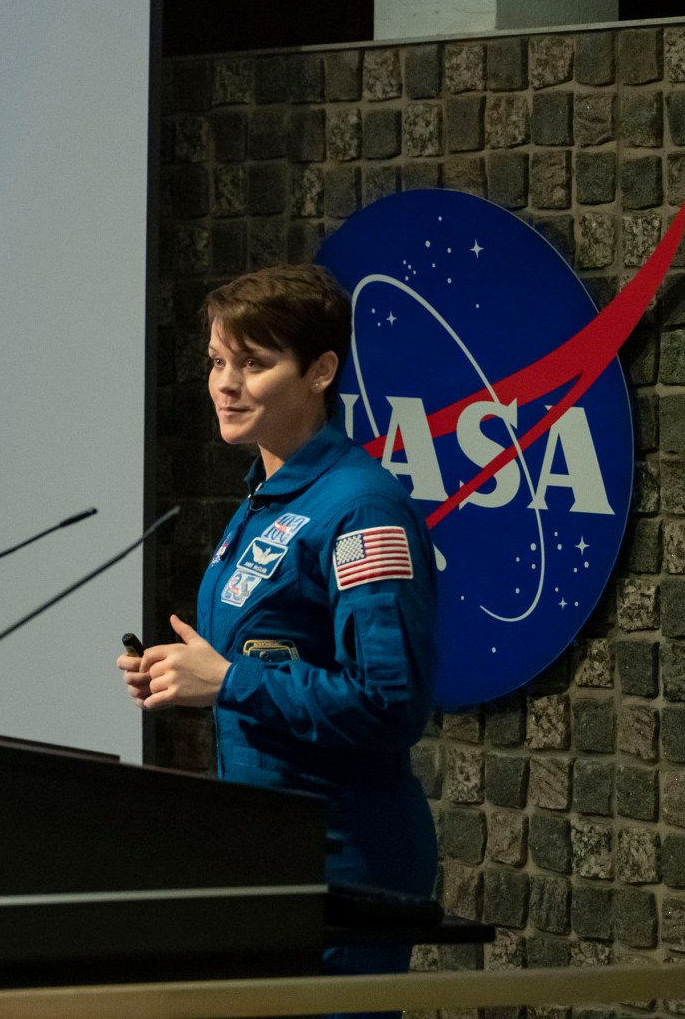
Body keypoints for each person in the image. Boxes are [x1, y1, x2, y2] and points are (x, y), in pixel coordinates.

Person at [119, 265, 436, 1015]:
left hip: (343, 864)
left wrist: (227, 683)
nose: (225, 384)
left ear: (321, 371)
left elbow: (391, 699)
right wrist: (181, 675)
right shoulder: (263, 498)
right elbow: (270, 660)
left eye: (254, 364)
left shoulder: (361, 511)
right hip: (268, 861)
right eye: (217, 362)